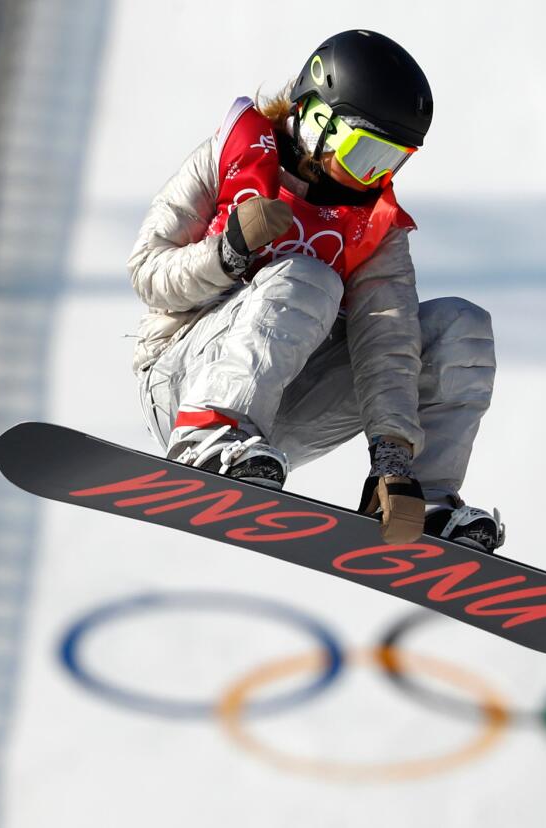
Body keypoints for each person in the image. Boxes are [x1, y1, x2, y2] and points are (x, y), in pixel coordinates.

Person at [127, 29, 504, 554]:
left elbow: (387, 341)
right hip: (183, 379)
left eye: (390, 162)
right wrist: (229, 250)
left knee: (460, 326)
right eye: (362, 153)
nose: (370, 176)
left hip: (281, 413)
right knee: (310, 278)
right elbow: (148, 274)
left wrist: (391, 459)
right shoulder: (232, 158)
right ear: (316, 119)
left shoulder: (374, 223)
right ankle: (208, 434)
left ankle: (428, 499)